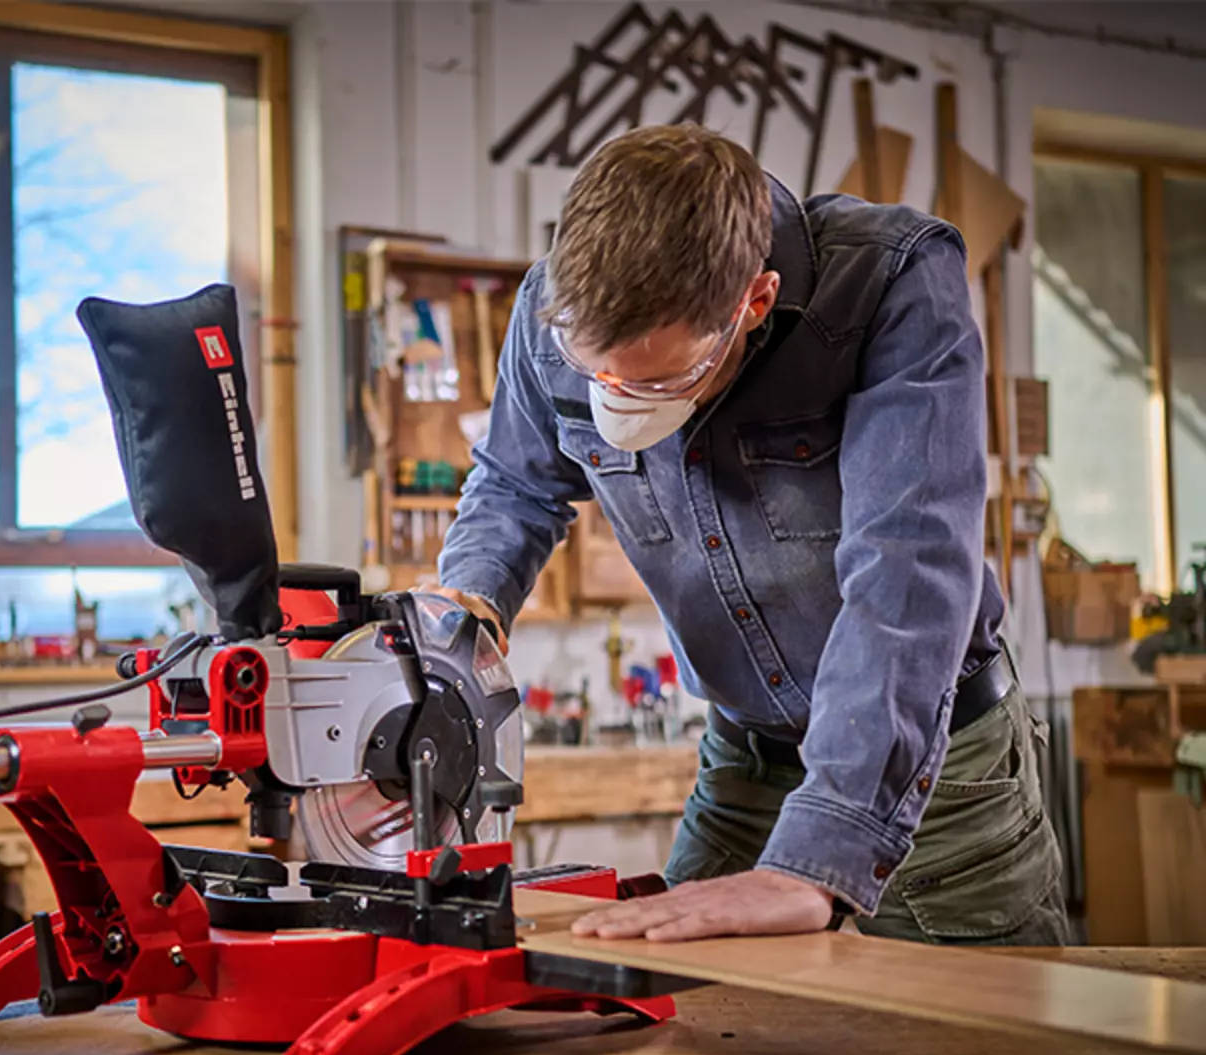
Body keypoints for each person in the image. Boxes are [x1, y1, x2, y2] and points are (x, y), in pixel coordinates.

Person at [434, 123, 1069, 946]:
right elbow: (517, 485)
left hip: (936, 770)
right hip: (744, 758)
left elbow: (904, 575)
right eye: (597, 375)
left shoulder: (892, 286)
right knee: (681, 1018)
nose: (617, 400)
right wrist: (464, 609)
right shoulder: (546, 308)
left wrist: (819, 859)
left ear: (754, 303)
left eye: (658, 380)